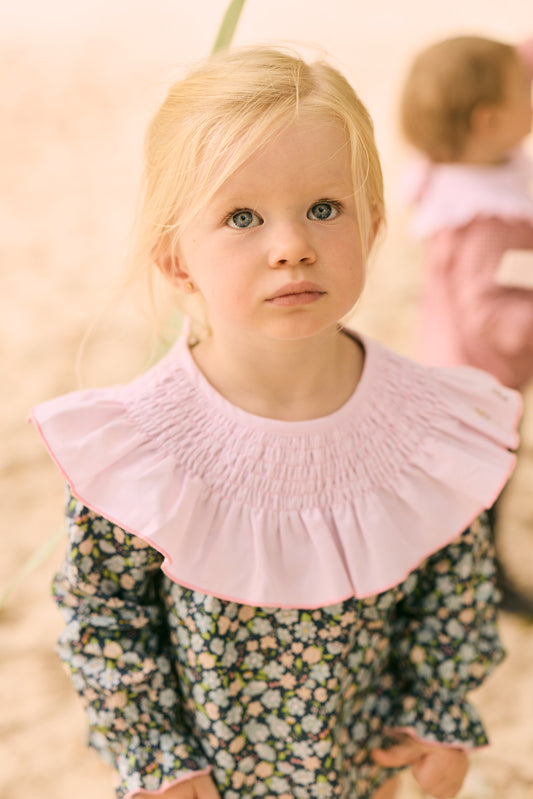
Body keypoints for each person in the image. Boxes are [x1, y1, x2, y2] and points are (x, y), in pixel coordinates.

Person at [31, 46, 521, 799]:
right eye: (242, 217)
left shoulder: (424, 427)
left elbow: (452, 591)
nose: (292, 247)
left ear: (373, 225)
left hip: (366, 776)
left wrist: (434, 718)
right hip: (205, 782)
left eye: (324, 209)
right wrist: (159, 762)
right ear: (177, 260)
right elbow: (106, 622)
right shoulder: (140, 448)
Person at [399, 34, 533, 615]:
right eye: (526, 88)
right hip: (476, 378)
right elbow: (490, 313)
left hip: (444, 351)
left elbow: (509, 63)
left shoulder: (457, 161)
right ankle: (481, 580)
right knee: (482, 482)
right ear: (489, 119)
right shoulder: (487, 219)